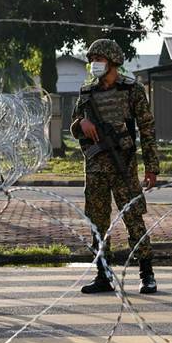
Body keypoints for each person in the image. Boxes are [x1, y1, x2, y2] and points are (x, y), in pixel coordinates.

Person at [70, 39, 159, 295]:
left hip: (124, 167)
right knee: (97, 223)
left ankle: (147, 273)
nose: (95, 64)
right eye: (92, 60)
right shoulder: (87, 93)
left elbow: (147, 130)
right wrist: (81, 125)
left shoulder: (132, 90)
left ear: (112, 61)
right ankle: (103, 275)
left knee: (133, 220)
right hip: (96, 168)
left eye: (99, 59)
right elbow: (74, 127)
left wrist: (151, 167)